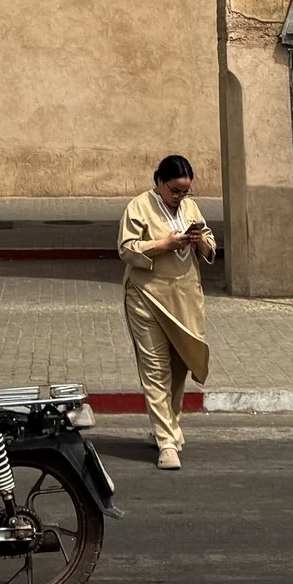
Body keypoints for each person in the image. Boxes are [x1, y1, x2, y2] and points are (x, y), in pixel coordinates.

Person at [120, 153, 215, 470]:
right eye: (174, 190)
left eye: (185, 191)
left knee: (179, 366)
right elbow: (127, 249)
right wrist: (163, 244)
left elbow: (210, 244)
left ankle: (168, 427)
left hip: (184, 298)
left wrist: (199, 239)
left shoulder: (189, 207)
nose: (180, 197)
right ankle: (166, 442)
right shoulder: (139, 207)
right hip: (147, 296)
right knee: (155, 369)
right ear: (159, 182)